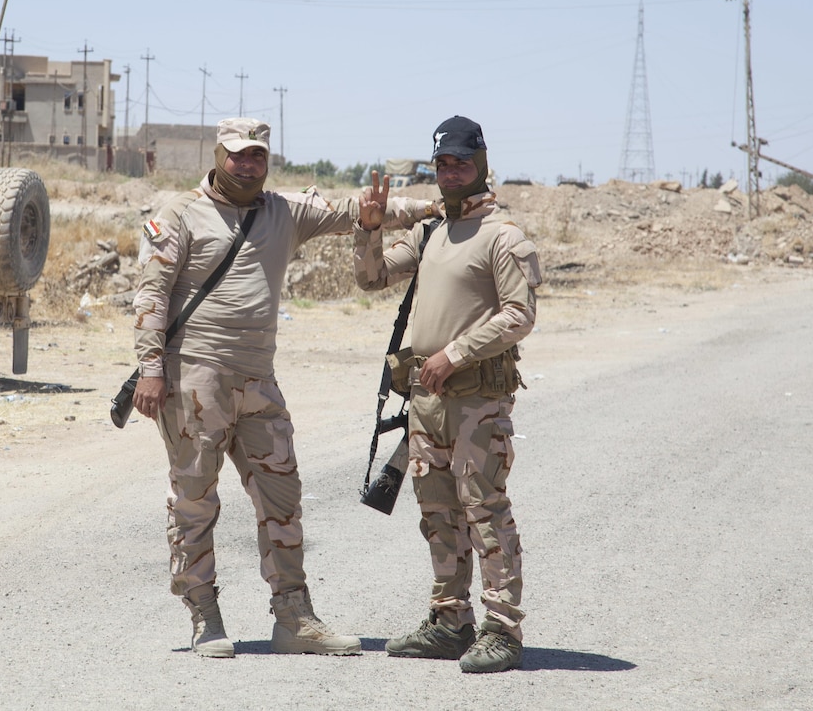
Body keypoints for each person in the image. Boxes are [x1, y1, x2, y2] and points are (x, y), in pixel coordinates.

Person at [132, 117, 437, 658]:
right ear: (218, 155)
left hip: (259, 381)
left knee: (283, 497)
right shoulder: (179, 213)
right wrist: (151, 368)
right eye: (237, 155)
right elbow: (151, 294)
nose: (247, 164)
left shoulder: (283, 210)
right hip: (194, 378)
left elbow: (359, 214)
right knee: (195, 499)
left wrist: (433, 207)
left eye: (257, 156)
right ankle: (205, 617)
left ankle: (294, 618)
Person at [353, 115, 541, 674]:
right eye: (442, 163)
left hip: (476, 399)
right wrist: (368, 229)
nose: (451, 171)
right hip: (427, 399)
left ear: (480, 163)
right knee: (437, 512)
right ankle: (449, 620)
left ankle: (502, 630)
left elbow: (520, 315)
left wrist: (454, 353)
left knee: (484, 511)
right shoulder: (432, 229)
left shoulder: (502, 235)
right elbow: (371, 278)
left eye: (461, 161)